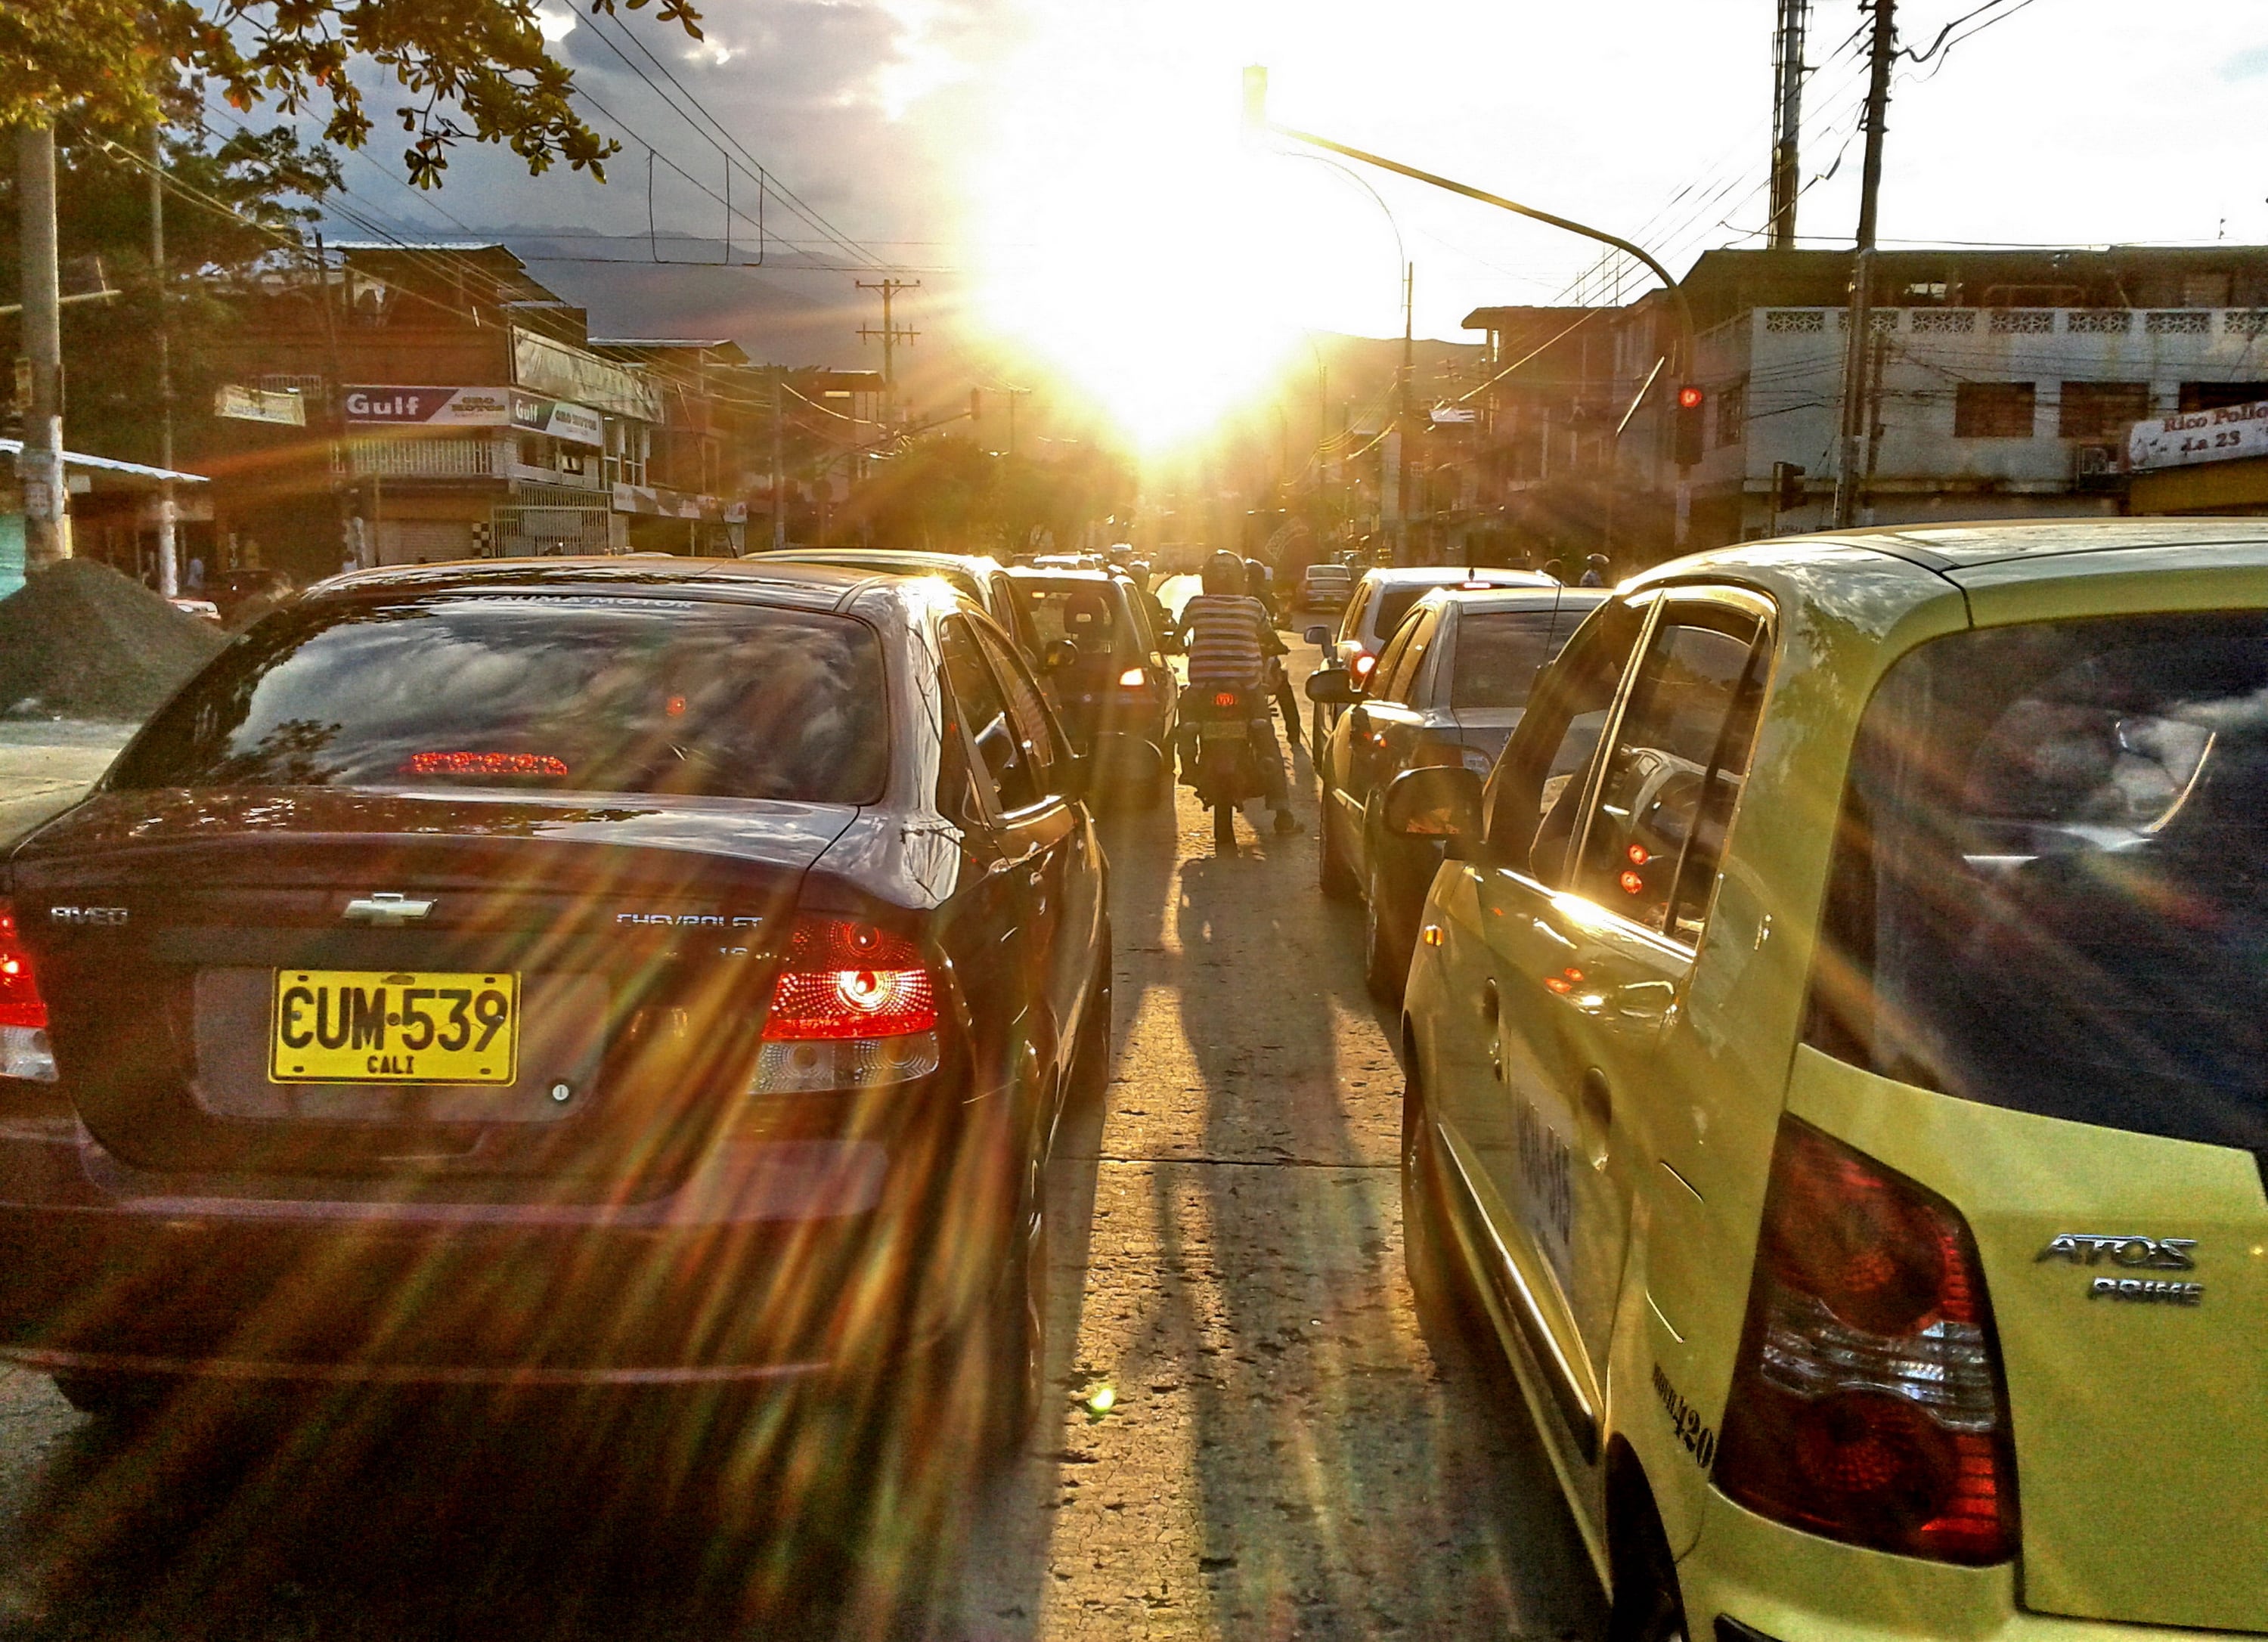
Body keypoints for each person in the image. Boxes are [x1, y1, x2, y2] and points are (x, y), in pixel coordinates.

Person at [1178, 550, 1301, 835]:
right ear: (1240, 580)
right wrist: (1277, 646)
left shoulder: (1196, 605)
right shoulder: (1254, 607)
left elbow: (1177, 635)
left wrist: (1173, 640)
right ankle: (1283, 814)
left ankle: (1187, 765)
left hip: (1202, 689)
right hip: (1247, 688)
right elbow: (1269, 637)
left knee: (1186, 724)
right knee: (1267, 739)